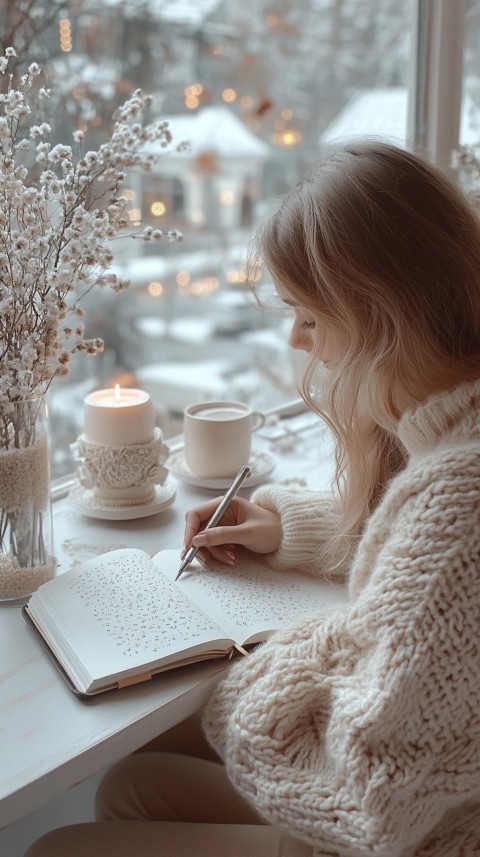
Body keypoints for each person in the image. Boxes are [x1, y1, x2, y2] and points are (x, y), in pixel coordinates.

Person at [26, 140, 480, 857]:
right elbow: (425, 567)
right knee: (129, 786)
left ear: (379, 316)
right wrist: (285, 524)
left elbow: (369, 796)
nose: (299, 341)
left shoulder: (458, 502)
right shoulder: (458, 446)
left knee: (60, 847)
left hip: (420, 836)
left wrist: (254, 674)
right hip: (435, 806)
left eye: (307, 314)